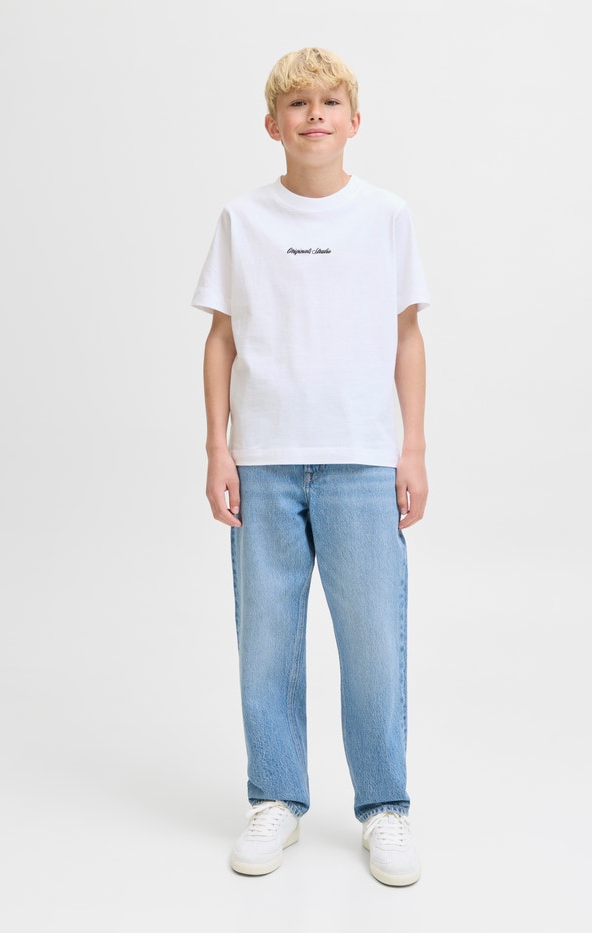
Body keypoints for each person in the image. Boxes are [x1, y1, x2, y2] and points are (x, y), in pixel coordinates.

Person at [191, 46, 430, 887]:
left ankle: (385, 806)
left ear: (354, 121)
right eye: (298, 104)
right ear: (273, 125)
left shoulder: (386, 215)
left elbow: (407, 335)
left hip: (361, 458)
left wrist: (412, 446)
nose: (315, 115)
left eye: (330, 102)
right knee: (268, 642)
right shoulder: (243, 219)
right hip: (264, 460)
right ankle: (275, 798)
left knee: (373, 643)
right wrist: (217, 446)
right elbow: (221, 338)